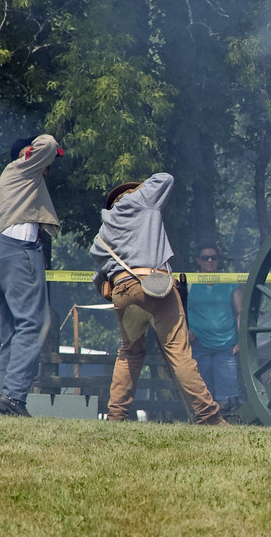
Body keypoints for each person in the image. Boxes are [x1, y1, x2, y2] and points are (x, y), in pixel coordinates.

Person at [90, 174, 226, 425]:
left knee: (129, 353)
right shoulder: (142, 202)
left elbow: (98, 277)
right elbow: (166, 178)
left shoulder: (103, 234)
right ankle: (209, 416)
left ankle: (116, 416)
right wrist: (141, 191)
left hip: (124, 291)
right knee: (180, 354)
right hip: (157, 287)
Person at [0, 134, 64, 417]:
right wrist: (35, 149)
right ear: (28, 156)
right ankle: (14, 396)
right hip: (20, 252)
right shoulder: (21, 168)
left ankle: (5, 403)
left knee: (12, 332)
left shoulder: (3, 188)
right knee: (32, 324)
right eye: (46, 164)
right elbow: (50, 144)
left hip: (1, 255)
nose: (49, 168)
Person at [186, 243, 243, 416]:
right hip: (199, 345)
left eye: (213, 257)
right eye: (205, 258)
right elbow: (178, 312)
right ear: (198, 261)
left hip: (227, 345)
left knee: (228, 395)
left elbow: (240, 312)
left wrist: (242, 341)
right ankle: (206, 421)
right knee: (203, 391)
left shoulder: (229, 280)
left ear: (218, 261)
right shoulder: (189, 282)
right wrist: (185, 332)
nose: (209, 261)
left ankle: (229, 422)